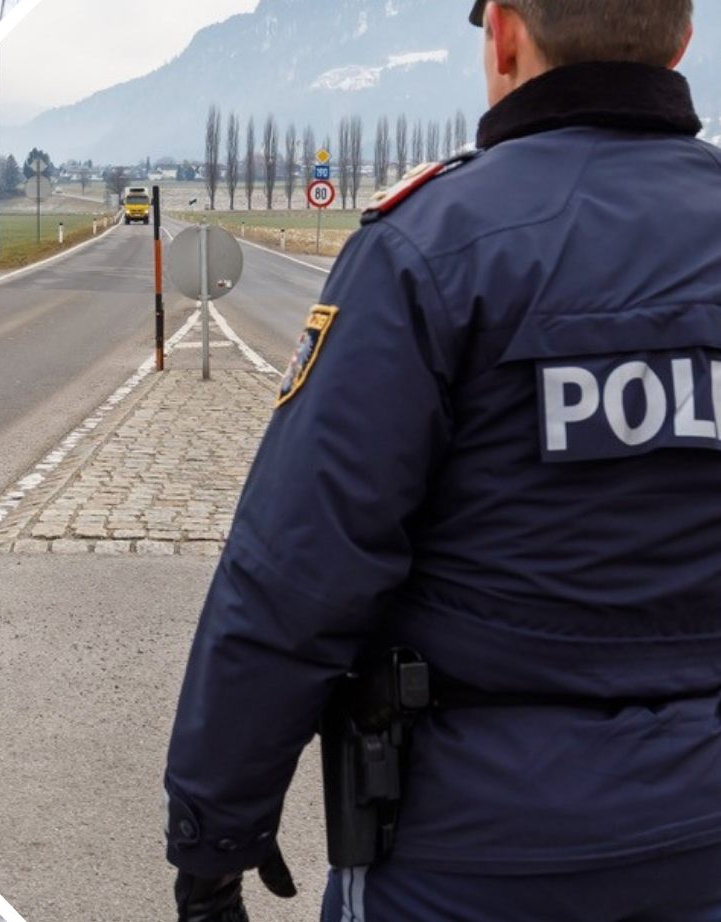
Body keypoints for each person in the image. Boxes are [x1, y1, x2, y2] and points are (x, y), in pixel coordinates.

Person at [164, 1, 721, 919]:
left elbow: (298, 571)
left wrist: (213, 838)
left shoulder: (428, 247)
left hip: (471, 855)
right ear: (681, 39)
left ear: (503, 33)